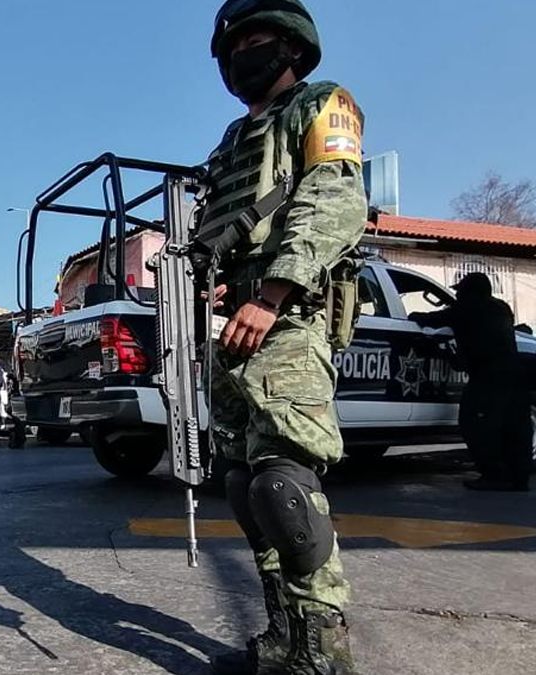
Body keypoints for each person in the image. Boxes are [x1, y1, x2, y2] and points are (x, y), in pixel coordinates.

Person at [203, 2, 364, 672]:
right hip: (234, 321)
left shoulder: (322, 104)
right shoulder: (232, 139)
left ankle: (324, 647)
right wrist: (218, 283)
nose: (244, 51)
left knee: (283, 486)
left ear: (294, 45)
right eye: (234, 42)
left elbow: (333, 198)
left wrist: (273, 292)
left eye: (258, 38)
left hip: (288, 318)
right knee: (243, 484)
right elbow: (228, 223)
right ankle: (285, 633)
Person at [411, 272, 532, 491]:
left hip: (488, 379)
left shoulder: (465, 310)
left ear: (470, 293)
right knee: (515, 428)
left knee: (475, 426)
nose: (457, 296)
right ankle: (519, 477)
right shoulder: (501, 309)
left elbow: (426, 319)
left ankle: (494, 476)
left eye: (461, 291)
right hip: (515, 376)